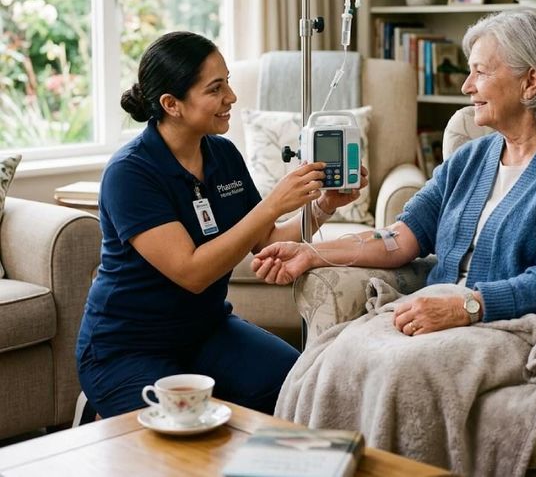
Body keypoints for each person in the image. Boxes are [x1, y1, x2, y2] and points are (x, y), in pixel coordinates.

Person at [253, 8, 536, 334]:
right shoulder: (472, 158)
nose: (467, 87)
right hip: (439, 316)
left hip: (514, 328)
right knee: (329, 362)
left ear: (530, 82)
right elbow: (399, 238)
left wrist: (468, 308)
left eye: (480, 72)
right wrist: (311, 253)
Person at [76, 31, 366, 418]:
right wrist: (272, 204)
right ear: (171, 104)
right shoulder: (131, 173)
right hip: (127, 348)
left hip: (207, 331)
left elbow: (266, 241)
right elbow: (192, 272)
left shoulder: (223, 154)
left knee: (300, 387)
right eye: (216, 88)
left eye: (227, 82)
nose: (231, 97)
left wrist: (323, 207)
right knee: (187, 435)